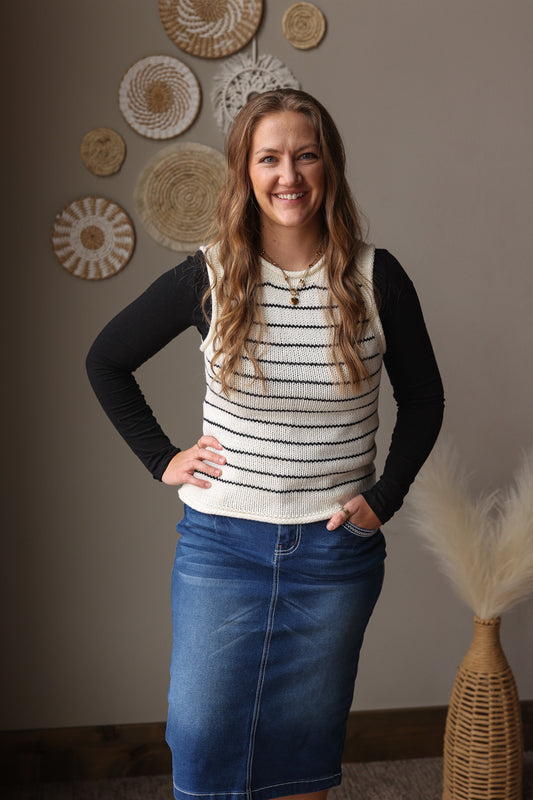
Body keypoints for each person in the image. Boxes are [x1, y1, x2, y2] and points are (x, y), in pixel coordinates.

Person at [86, 88, 444, 800]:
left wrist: (383, 498)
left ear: (330, 165)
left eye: (306, 155)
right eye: (270, 158)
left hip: (334, 553)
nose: (290, 176)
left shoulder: (377, 278)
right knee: (199, 736)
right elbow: (107, 360)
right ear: (245, 172)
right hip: (222, 544)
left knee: (299, 748)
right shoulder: (210, 274)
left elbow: (425, 400)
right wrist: (163, 459)